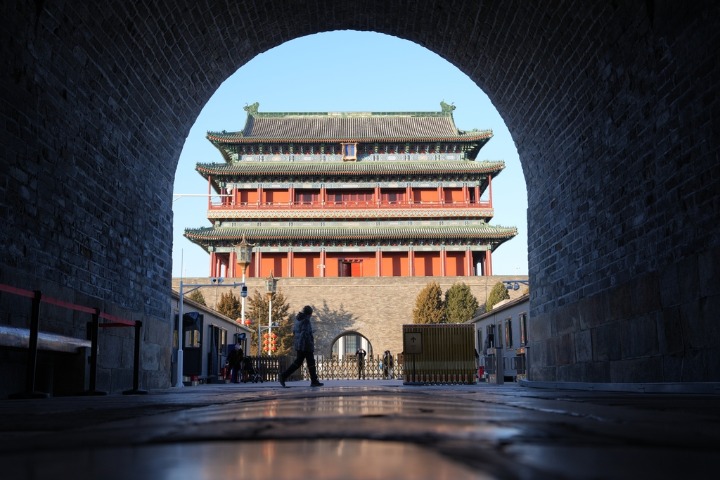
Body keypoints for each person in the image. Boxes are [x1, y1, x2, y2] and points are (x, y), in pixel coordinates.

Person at [278, 305, 323, 387]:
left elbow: (295, 332)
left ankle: (283, 376)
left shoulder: (298, 320)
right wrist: (307, 341)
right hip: (305, 345)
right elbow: (304, 333)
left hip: (299, 344)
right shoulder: (306, 321)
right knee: (311, 362)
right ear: (309, 313)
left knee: (298, 362)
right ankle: (314, 381)